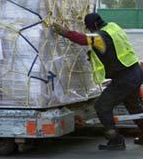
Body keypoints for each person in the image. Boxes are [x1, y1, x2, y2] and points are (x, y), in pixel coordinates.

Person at [52, 13, 143, 150]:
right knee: (134, 106)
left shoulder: (100, 36)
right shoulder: (113, 27)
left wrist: (63, 31)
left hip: (125, 78)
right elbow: (110, 48)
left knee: (102, 106)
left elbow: (82, 39)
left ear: (94, 25)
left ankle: (116, 141)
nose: (89, 31)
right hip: (134, 72)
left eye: (89, 28)